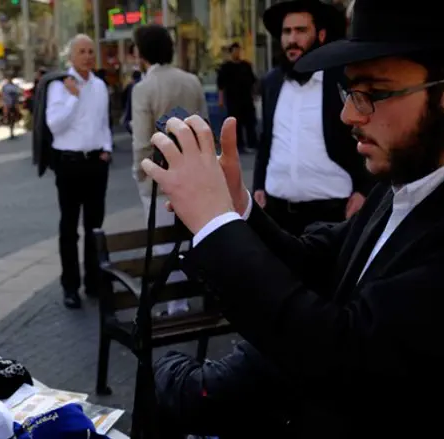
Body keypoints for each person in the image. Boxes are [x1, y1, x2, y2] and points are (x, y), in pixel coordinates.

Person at [143, 0, 444, 436]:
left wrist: (215, 225)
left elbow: (339, 353)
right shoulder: (401, 185)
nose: (349, 115)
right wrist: (236, 207)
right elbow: (317, 263)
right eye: (349, 91)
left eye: (375, 92)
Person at [252, 0, 373, 236]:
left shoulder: (341, 80)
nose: (292, 39)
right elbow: (266, 140)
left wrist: (364, 190)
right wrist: (258, 185)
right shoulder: (272, 82)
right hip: (277, 212)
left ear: (321, 35)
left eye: (301, 30)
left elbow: (366, 133)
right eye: (286, 31)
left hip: (332, 213)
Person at [131, 24, 210, 316]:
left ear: (142, 53)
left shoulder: (143, 88)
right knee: (194, 236)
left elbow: (141, 142)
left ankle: (175, 303)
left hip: (160, 179)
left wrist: (140, 173)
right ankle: (190, 297)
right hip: (193, 171)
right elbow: (204, 127)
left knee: (165, 244)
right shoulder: (192, 81)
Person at [45, 34, 112, 308]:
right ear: (71, 56)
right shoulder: (60, 86)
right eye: (82, 51)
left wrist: (107, 148)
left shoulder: (100, 85)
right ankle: (70, 287)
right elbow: (54, 125)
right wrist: (73, 98)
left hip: (96, 163)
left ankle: (94, 282)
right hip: (69, 164)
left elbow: (103, 122)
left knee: (95, 226)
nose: (87, 56)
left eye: (90, 51)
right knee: (69, 228)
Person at [216, 42, 258, 152]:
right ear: (231, 53)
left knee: (250, 122)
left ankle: (252, 143)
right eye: (235, 51)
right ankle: (239, 145)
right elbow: (221, 85)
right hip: (233, 100)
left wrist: (253, 95)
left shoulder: (246, 66)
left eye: (238, 51)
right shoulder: (226, 67)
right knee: (236, 123)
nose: (237, 53)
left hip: (246, 99)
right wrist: (221, 100)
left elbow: (252, 82)